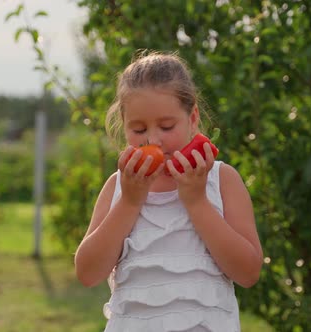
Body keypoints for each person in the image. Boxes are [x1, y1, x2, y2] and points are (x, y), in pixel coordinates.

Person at [74, 50, 263, 332]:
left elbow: (248, 273)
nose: (153, 140)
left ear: (193, 117)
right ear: (123, 127)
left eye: (166, 126)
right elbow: (87, 273)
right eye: (138, 130)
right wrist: (129, 202)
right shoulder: (118, 187)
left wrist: (197, 202)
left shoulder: (221, 181)